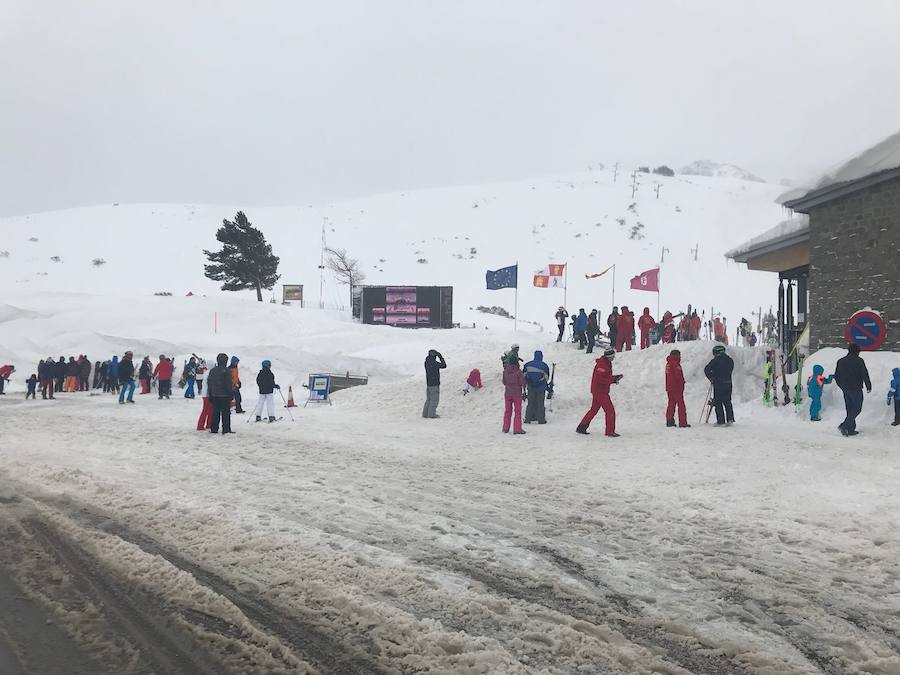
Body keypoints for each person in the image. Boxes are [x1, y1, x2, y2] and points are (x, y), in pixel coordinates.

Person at [576, 347, 622, 437]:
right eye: (613, 356)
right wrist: (612, 380)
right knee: (610, 411)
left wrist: (614, 378)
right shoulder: (603, 365)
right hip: (600, 392)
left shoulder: (605, 363)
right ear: (609, 356)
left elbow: (604, 377)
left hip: (599, 390)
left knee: (593, 410)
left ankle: (582, 427)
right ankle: (610, 431)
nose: (613, 358)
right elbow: (600, 379)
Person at [834, 343, 872, 436]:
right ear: (856, 351)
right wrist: (868, 385)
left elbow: (836, 376)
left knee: (850, 408)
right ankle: (844, 425)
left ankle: (850, 429)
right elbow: (864, 374)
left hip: (845, 388)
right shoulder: (859, 361)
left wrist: (841, 386)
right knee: (857, 408)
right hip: (856, 388)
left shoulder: (841, 361)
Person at [704, 344, 734, 426]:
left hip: (718, 384)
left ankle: (721, 421)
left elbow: (706, 369)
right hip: (728, 383)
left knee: (718, 402)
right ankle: (730, 419)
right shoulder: (730, 360)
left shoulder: (715, 360)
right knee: (727, 402)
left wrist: (711, 377)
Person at [207, 352, 235, 434]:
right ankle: (226, 429)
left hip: (215, 394)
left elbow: (209, 383)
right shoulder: (226, 370)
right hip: (224, 395)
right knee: (225, 413)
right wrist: (231, 393)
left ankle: (214, 428)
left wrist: (210, 394)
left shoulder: (212, 370)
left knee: (215, 412)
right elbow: (228, 384)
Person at [523, 350, 550, 424]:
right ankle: (541, 419)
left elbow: (524, 376)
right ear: (541, 356)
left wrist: (530, 382)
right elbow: (546, 377)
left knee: (530, 403)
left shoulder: (527, 364)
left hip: (531, 387)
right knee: (540, 403)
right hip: (541, 388)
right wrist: (540, 382)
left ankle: (528, 418)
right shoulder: (544, 365)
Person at [665, 349, 689, 428]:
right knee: (681, 405)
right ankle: (683, 422)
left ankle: (669, 420)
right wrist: (682, 382)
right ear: (677, 355)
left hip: (669, 387)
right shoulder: (675, 364)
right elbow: (678, 375)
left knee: (671, 404)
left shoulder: (668, 363)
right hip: (676, 387)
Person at [502, 357, 526, 434]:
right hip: (517, 394)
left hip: (508, 393)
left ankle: (505, 428)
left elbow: (504, 382)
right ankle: (517, 429)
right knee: (517, 411)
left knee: (507, 411)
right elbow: (522, 382)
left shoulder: (505, 371)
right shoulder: (519, 372)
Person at [423, 349, 446, 418]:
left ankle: (425, 414)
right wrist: (440, 357)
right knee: (434, 400)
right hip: (434, 383)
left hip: (429, 383)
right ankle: (431, 415)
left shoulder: (426, 362)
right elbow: (444, 365)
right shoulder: (434, 363)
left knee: (429, 399)